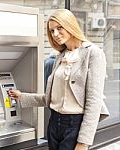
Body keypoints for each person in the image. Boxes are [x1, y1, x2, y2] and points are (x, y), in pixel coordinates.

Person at [8, 9, 110, 150]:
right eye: (52, 31)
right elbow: (50, 98)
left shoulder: (93, 53)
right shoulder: (60, 56)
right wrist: (21, 96)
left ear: (70, 25)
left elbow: (94, 102)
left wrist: (83, 141)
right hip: (54, 123)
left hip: (74, 126)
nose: (55, 34)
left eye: (59, 28)